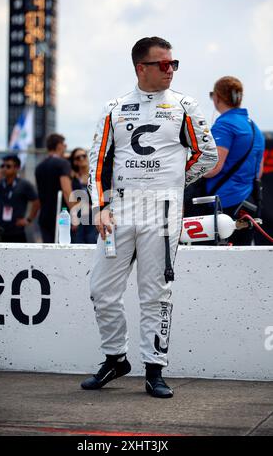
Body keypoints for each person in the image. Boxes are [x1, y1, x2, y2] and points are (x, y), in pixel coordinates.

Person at [81, 37, 218, 398]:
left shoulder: (185, 105)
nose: (170, 69)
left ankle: (154, 370)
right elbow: (95, 163)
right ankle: (115, 359)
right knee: (101, 290)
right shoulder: (115, 107)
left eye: (174, 63)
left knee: (156, 293)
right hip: (120, 209)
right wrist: (99, 207)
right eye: (163, 64)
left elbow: (207, 155)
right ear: (141, 67)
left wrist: (173, 184)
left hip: (162, 210)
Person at [204, 76, 265, 245]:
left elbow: (214, 167)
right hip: (248, 205)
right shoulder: (254, 127)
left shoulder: (224, 125)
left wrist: (188, 172)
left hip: (224, 206)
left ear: (217, 97)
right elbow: (258, 173)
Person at [35, 134, 73, 243]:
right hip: (61, 217)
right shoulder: (63, 164)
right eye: (64, 144)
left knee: (49, 252)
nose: (65, 147)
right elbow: (66, 191)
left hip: (44, 216)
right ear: (59, 145)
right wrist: (75, 213)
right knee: (64, 252)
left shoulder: (39, 167)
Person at [0, 155, 39, 243]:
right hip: (1, 229)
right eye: (3, 166)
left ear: (17, 168)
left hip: (17, 230)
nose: (4, 169)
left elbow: (36, 201)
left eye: (8, 166)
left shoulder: (24, 184)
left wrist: (28, 219)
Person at [68, 148, 98, 244]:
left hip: (93, 216)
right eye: (78, 157)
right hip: (79, 215)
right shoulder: (72, 178)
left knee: (92, 241)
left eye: (84, 156)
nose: (81, 159)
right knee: (78, 242)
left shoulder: (94, 175)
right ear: (74, 161)